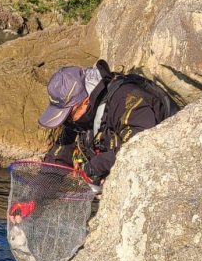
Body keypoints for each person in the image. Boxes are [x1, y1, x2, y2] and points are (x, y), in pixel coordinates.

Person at [38, 59, 178, 185]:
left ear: (85, 101)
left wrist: (95, 167)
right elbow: (58, 158)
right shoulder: (79, 118)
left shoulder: (128, 97)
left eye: (68, 115)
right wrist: (35, 198)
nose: (67, 121)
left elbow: (139, 145)